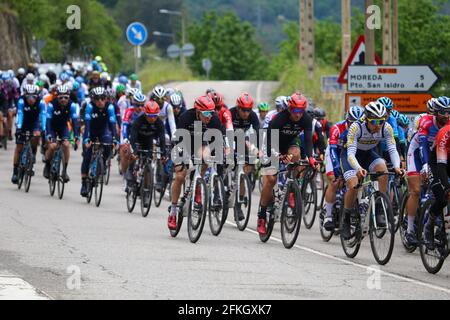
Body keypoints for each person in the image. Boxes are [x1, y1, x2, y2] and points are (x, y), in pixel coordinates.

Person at [341, 101, 405, 240]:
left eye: (381, 121)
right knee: (353, 184)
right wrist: (358, 168)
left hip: (369, 154)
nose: (378, 125)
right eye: (374, 121)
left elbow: (392, 149)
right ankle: (346, 218)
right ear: (367, 119)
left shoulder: (386, 128)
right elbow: (350, 154)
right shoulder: (355, 127)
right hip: (351, 156)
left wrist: (397, 166)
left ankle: (379, 207)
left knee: (383, 170)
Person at [258, 92, 317, 235]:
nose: (298, 114)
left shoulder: (306, 119)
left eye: (301, 111)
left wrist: (310, 157)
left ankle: (291, 186)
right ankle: (262, 217)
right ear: (290, 109)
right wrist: (276, 155)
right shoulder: (279, 119)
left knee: (296, 154)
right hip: (273, 144)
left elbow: (308, 141)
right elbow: (270, 140)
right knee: (270, 180)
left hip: (290, 143)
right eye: (296, 111)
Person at [168, 95, 225, 230]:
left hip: (201, 143)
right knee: (180, 175)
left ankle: (197, 187)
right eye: (206, 113)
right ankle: (173, 211)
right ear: (198, 112)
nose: (209, 116)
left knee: (206, 159)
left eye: (211, 113)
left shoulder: (214, 119)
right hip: (184, 143)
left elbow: (220, 139)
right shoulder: (186, 117)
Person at [405, 96, 450, 246]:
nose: (446, 116)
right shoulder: (426, 121)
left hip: (438, 155)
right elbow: (423, 145)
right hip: (417, 153)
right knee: (416, 191)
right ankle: (410, 230)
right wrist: (425, 165)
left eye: (449, 112)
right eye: (443, 113)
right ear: (435, 113)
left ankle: (434, 219)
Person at [323, 106, 364, 231]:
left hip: (350, 154)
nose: (354, 125)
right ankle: (328, 215)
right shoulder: (337, 128)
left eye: (358, 122)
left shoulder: (363, 129)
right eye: (352, 122)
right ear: (347, 120)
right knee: (334, 181)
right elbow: (333, 150)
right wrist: (336, 167)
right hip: (334, 152)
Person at [127, 100, 167, 207]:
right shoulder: (138, 121)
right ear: (145, 113)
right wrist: (134, 151)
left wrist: (164, 153)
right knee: (133, 155)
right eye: (150, 116)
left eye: (155, 116)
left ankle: (145, 193)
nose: (152, 118)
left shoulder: (158, 122)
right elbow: (133, 137)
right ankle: (130, 174)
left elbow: (162, 138)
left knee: (148, 166)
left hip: (148, 141)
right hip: (138, 141)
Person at [80, 87, 117, 197]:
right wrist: (86, 138)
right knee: (87, 156)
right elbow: (87, 124)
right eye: (97, 99)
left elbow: (112, 124)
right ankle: (84, 182)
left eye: (102, 98)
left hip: (103, 131)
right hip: (91, 131)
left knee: (108, 144)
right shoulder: (90, 107)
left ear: (106, 98)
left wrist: (115, 138)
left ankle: (103, 162)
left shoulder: (109, 107)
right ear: (93, 99)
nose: (100, 101)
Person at [230, 93, 260, 221]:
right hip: (229, 138)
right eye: (243, 110)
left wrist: (257, 149)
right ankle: (221, 186)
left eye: (248, 110)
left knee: (245, 171)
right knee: (224, 162)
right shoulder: (231, 113)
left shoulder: (252, 115)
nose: (246, 113)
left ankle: (238, 204)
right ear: (238, 108)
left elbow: (258, 132)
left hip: (243, 140)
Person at [11, 85, 46, 184]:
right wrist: (18, 128)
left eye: (33, 97)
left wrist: (43, 129)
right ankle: (15, 171)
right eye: (28, 97)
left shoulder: (41, 102)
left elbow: (43, 115)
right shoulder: (21, 101)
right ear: (25, 95)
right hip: (23, 123)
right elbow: (20, 114)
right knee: (19, 147)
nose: (31, 99)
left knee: (36, 136)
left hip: (34, 123)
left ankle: (32, 155)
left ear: (37, 96)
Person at [44, 85, 79, 182]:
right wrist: (49, 135)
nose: (63, 100)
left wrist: (76, 136)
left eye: (66, 97)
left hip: (63, 127)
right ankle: (47, 165)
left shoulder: (72, 105)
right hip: (52, 127)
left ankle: (64, 170)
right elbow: (48, 121)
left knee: (66, 145)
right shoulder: (52, 104)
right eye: (60, 97)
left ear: (69, 97)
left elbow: (75, 122)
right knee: (52, 146)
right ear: (57, 97)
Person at [424, 120, 450, 249]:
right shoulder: (444, 133)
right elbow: (441, 166)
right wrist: (446, 187)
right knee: (442, 197)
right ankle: (428, 226)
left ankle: (443, 231)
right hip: (437, 164)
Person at [119, 91, 146, 190]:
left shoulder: (146, 112)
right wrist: (125, 139)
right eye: (137, 105)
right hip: (130, 135)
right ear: (133, 104)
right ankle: (126, 176)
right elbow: (125, 126)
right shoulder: (129, 111)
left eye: (142, 105)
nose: (140, 107)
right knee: (125, 151)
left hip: (142, 136)